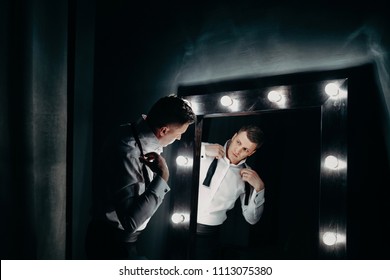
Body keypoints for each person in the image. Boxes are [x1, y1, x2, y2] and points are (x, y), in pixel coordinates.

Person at [85, 95, 196, 259]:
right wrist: (163, 177)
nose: (179, 138)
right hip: (112, 246)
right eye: (179, 133)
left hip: (112, 239)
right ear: (163, 130)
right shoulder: (129, 152)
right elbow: (130, 223)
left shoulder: (129, 132)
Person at [194, 124, 265, 259]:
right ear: (233, 136)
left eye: (245, 149)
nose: (238, 150)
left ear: (252, 153)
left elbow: (252, 219)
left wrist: (260, 188)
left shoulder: (248, 178)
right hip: (177, 224)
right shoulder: (205, 148)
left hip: (209, 238)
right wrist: (201, 149)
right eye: (238, 142)